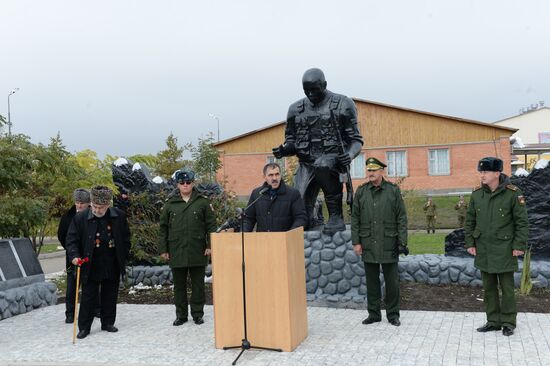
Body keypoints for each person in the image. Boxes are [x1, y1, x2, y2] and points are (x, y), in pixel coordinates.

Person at [272, 68, 363, 235]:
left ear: (325, 85)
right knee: (299, 212)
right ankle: (313, 216)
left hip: (331, 164)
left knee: (323, 165)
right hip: (306, 164)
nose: (310, 94)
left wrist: (349, 155)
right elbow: (292, 141)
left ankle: (336, 216)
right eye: (307, 90)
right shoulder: (295, 109)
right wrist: (284, 150)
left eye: (314, 89)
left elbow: (356, 140)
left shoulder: (343, 104)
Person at [464, 157, 528, 336]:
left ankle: (508, 322)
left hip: (505, 248)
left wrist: (518, 245)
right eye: (481, 171)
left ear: (497, 173)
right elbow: (469, 221)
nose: (482, 175)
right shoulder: (477, 194)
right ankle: (493, 320)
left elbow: (522, 223)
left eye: (485, 172)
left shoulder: (513, 193)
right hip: (483, 248)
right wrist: (470, 242)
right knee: (489, 288)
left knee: (507, 288)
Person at [66, 186, 131, 339]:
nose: (96, 209)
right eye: (94, 206)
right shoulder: (80, 218)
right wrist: (74, 256)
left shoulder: (118, 216)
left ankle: (107, 322)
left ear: (108, 205)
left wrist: (123, 254)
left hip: (111, 262)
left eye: (100, 207)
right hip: (90, 263)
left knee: (110, 294)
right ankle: (84, 327)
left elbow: (126, 238)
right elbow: (71, 240)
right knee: (88, 296)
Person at [351, 157, 408, 326]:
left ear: (381, 171)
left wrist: (402, 242)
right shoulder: (361, 192)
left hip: (389, 243)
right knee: (372, 282)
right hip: (368, 243)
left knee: (392, 283)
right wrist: (356, 242)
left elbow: (402, 217)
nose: (371, 173)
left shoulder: (393, 191)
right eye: (368, 170)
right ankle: (374, 314)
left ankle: (393, 315)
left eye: (374, 170)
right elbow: (355, 219)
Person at [159, 169, 216, 326]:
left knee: (198, 285)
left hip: (197, 249)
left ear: (193, 183)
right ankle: (181, 315)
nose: (185, 185)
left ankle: (197, 314)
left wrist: (211, 245)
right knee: (179, 286)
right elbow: (163, 227)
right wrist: (163, 249)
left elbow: (211, 226)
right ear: (177, 184)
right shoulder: (170, 204)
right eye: (182, 183)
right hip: (176, 249)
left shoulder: (203, 202)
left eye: (188, 182)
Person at [57, 188, 92, 324]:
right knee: (72, 286)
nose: (79, 205)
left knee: (91, 284)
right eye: (77, 202)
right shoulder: (68, 217)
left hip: (89, 256)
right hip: (73, 258)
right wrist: (72, 251)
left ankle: (94, 309)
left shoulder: (92, 215)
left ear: (88, 203)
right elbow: (62, 235)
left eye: (82, 203)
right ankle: (70, 313)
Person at [242, 163, 307, 232]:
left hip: (285, 240)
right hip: (262, 240)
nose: (274, 178)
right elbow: (248, 219)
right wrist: (242, 235)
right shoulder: (257, 194)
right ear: (264, 177)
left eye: (277, 174)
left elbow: (301, 218)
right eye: (271, 175)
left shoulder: (293, 193)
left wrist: (290, 234)